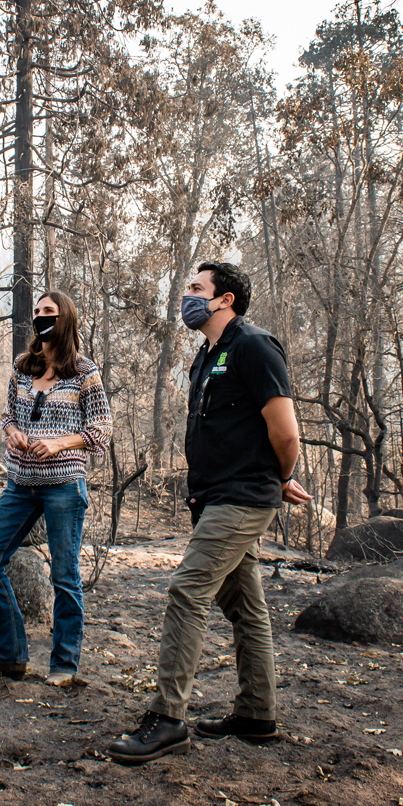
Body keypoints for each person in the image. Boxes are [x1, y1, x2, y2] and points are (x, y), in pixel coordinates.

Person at [106, 261, 312, 765]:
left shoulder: (254, 346)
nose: (187, 297)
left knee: (187, 589)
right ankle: (257, 714)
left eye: (197, 289)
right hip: (215, 498)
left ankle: (168, 718)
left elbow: (286, 432)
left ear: (225, 300)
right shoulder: (207, 355)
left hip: (242, 499)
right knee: (245, 606)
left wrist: (278, 478)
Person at [0, 290, 112, 686]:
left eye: (49, 311)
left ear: (66, 319)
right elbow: (8, 413)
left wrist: (59, 442)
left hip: (63, 486)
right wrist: (12, 431)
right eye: (36, 311)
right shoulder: (22, 366)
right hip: (20, 484)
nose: (40, 317)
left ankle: (64, 665)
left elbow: (101, 430)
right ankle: (10, 655)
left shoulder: (84, 371)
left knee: (64, 577)